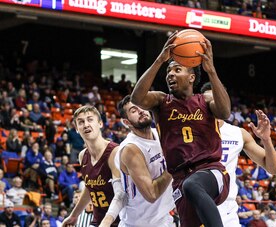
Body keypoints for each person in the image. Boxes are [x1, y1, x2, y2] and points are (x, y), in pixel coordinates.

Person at [131, 31, 231, 227]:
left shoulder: (206, 100)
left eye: (177, 70)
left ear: (192, 77)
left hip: (210, 171)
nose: (170, 74)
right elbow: (136, 98)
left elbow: (225, 112)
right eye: (168, 71)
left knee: (193, 184)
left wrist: (211, 71)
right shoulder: (161, 101)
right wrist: (160, 60)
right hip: (180, 180)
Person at [200, 82, 276, 226]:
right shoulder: (189, 131)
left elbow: (273, 169)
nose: (211, 105)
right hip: (196, 208)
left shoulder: (238, 133)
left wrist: (266, 140)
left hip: (227, 211)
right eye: (206, 101)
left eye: (215, 100)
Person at [115, 95, 175, 227]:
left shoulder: (161, 134)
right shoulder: (130, 149)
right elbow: (151, 194)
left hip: (163, 219)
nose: (141, 110)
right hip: (137, 224)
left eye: (141, 106)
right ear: (127, 122)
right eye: (133, 110)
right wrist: (174, 164)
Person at [61, 105, 126, 227]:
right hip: (98, 221)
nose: (86, 124)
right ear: (76, 128)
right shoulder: (82, 156)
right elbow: (90, 187)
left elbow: (121, 194)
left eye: (90, 119)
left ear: (100, 124)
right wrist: (74, 215)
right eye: (81, 122)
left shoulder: (114, 152)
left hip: (121, 221)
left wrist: (106, 223)